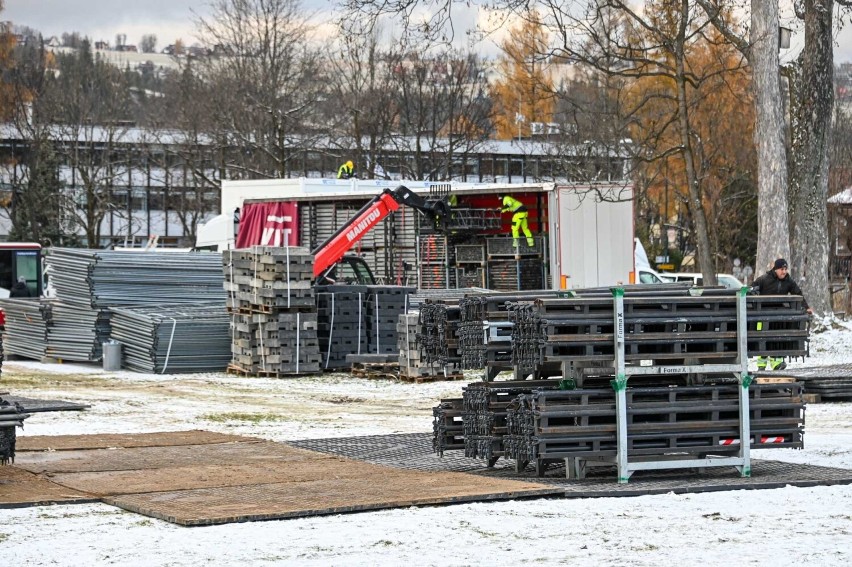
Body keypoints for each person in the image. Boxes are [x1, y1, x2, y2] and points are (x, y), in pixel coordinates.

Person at [751, 258, 813, 371]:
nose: (784, 272)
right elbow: (752, 289)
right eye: (781, 269)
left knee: (777, 338)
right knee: (763, 338)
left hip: (779, 315)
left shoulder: (788, 281)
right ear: (775, 269)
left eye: (785, 269)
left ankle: (777, 363)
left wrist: (806, 307)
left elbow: (798, 293)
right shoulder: (764, 279)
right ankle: (761, 365)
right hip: (763, 314)